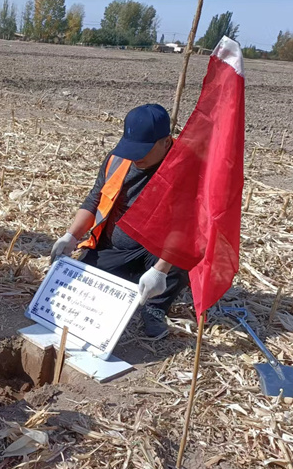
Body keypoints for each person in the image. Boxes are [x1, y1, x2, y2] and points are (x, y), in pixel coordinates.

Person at [50, 104, 189, 339]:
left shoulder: (185, 168)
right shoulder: (117, 159)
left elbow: (187, 226)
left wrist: (161, 270)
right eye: (131, 148)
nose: (136, 156)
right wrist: (71, 236)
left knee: (182, 258)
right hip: (114, 247)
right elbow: (95, 199)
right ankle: (131, 277)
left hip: (159, 248)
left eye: (143, 150)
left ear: (166, 142)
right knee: (84, 288)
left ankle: (155, 306)